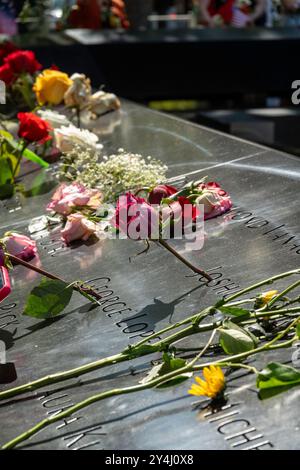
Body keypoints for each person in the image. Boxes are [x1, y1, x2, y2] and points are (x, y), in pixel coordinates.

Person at [195, 0, 266, 26]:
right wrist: (211, 23)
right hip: (214, 30)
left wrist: (251, 18)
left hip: (234, 29)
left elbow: (261, 3)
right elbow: (203, 8)